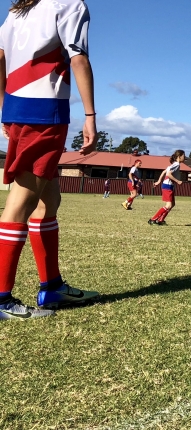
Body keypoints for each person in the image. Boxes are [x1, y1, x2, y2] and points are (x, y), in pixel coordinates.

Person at [0, 0, 100, 320]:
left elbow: (0, 56)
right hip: (45, 113)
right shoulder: (69, 4)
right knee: (20, 202)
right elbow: (79, 59)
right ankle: (1, 299)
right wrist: (90, 115)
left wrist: (5, 105)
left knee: (49, 200)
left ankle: (52, 286)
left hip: (20, 110)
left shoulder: (18, 10)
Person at [149, 150, 185, 226]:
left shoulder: (173, 165)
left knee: (172, 204)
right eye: (183, 156)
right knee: (168, 205)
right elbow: (168, 174)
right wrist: (177, 181)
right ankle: (153, 219)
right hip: (168, 186)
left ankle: (160, 220)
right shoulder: (177, 164)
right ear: (179, 157)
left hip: (169, 185)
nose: (184, 158)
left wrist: (159, 181)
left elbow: (164, 172)